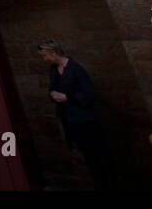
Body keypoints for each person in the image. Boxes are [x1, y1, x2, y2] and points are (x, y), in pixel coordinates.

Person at [38, 40, 115, 189]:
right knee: (87, 155)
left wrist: (68, 97)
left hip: (85, 120)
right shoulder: (54, 70)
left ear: (53, 53)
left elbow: (90, 94)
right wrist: (53, 93)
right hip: (69, 119)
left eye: (45, 55)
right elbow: (53, 88)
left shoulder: (76, 69)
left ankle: (107, 184)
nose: (45, 59)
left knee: (98, 155)